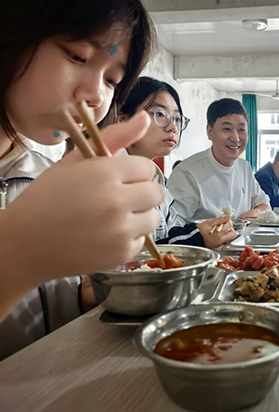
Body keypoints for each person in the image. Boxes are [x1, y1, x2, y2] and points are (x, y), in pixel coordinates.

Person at [0, 0, 160, 359]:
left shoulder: (41, 176)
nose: (96, 94)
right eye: (77, 56)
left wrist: (85, 295)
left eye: (111, 80)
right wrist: (17, 252)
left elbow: (42, 315)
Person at [119, 77, 237, 247]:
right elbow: (132, 254)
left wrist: (202, 230)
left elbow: (168, 233)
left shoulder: (155, 178)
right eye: (160, 114)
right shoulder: (111, 179)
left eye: (177, 118)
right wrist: (197, 238)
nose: (172, 127)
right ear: (123, 120)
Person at [167, 98, 270, 222]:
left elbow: (264, 204)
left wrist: (255, 212)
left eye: (241, 130)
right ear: (210, 132)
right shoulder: (187, 173)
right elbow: (172, 226)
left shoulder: (244, 167)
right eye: (227, 129)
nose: (236, 138)